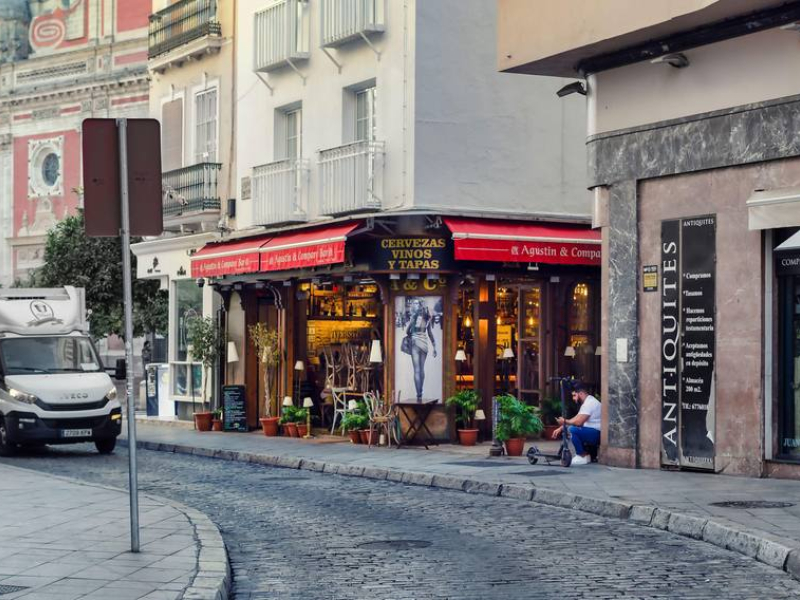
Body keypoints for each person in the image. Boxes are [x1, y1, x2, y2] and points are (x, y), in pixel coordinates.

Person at [551, 382, 601, 466]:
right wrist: (561, 428)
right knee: (570, 429)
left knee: (572, 430)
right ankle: (587, 455)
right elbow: (575, 418)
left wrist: (565, 421)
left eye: (574, 395)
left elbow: (579, 422)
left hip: (596, 434)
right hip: (593, 432)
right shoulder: (588, 402)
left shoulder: (589, 403)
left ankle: (581, 455)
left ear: (581, 393)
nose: (573, 398)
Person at [405, 298, 437, 401]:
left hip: (415, 344)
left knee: (416, 370)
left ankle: (418, 394)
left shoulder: (413, 317)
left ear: (418, 305)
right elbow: (430, 333)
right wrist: (435, 347)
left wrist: (413, 334)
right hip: (424, 344)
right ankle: (421, 391)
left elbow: (407, 331)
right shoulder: (427, 318)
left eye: (415, 303)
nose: (413, 305)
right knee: (421, 369)